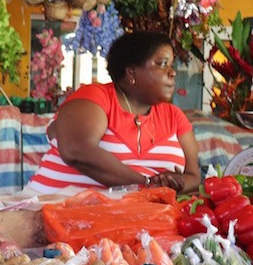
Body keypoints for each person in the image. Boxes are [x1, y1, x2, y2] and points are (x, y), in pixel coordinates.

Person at [27, 32, 200, 193]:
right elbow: (76, 151)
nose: (172, 72)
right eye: (162, 64)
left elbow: (193, 177)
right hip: (54, 210)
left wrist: (173, 182)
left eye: (171, 65)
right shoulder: (96, 97)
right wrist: (146, 184)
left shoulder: (174, 116)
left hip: (135, 218)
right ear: (131, 72)